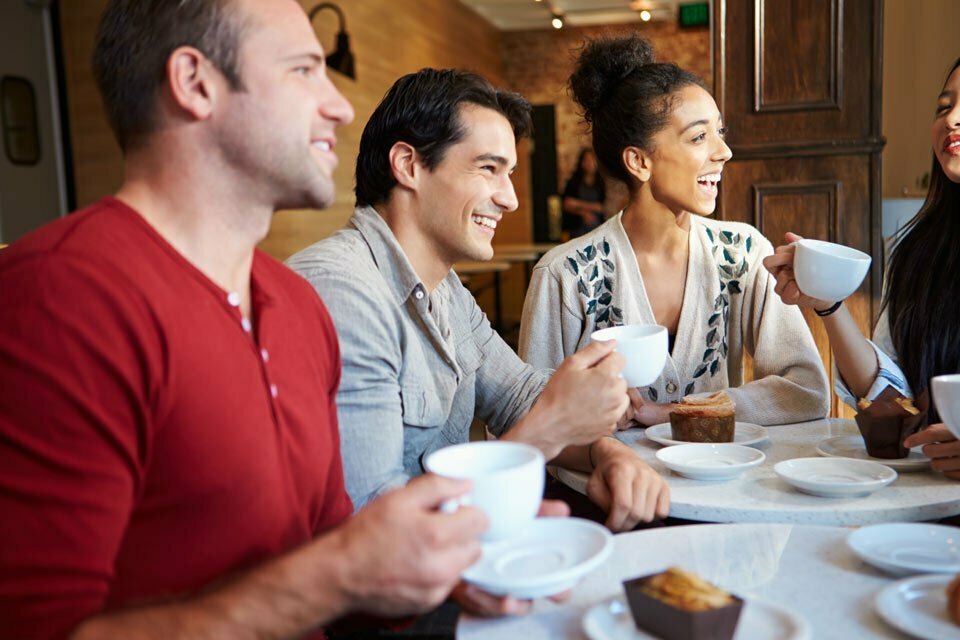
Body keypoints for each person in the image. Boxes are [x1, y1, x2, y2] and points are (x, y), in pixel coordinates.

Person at [0, 1, 509, 637]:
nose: (340, 106)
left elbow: (332, 549)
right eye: (303, 71)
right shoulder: (61, 296)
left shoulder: (296, 305)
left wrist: (448, 570)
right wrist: (342, 574)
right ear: (195, 83)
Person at [287, 68, 670, 543]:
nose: (508, 199)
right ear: (408, 165)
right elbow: (371, 528)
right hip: (383, 600)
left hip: (448, 562)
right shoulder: (344, 292)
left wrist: (606, 455)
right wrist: (551, 428)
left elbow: (519, 397)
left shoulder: (445, 290)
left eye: (508, 173)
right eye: (488, 168)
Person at [519, 35, 830, 427]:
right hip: (603, 487)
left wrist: (672, 413)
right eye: (700, 137)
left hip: (720, 486)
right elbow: (529, 414)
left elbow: (807, 391)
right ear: (639, 161)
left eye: (721, 132)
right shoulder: (565, 273)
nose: (724, 152)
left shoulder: (742, 252)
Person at [764, 57, 960, 479]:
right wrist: (828, 305)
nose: (952, 120)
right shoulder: (914, 250)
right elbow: (895, 396)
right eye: (944, 107)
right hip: (926, 495)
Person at [562, 148, 607, 238]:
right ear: (581, 162)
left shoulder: (600, 183)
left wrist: (578, 204)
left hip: (597, 226)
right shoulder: (573, 183)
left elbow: (601, 207)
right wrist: (583, 213)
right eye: (586, 160)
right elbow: (567, 204)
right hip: (576, 227)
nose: (589, 163)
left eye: (592, 160)